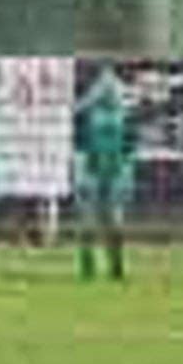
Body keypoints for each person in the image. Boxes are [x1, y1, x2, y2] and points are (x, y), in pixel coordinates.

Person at [70, 63, 136, 281]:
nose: (108, 86)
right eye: (103, 81)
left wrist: (127, 173)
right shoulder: (84, 114)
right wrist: (79, 172)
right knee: (88, 217)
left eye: (112, 81)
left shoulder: (125, 114)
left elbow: (129, 148)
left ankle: (116, 266)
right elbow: (78, 146)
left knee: (116, 218)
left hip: (115, 170)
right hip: (91, 168)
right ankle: (87, 264)